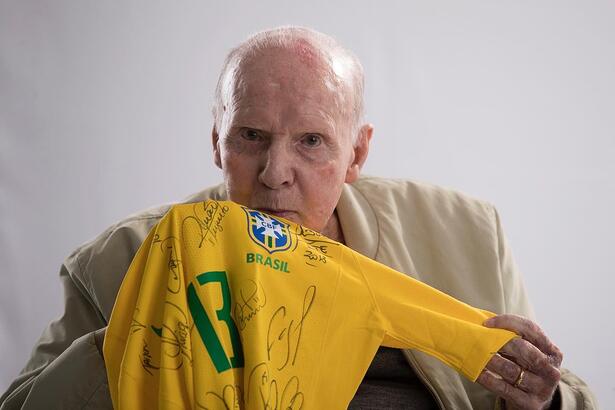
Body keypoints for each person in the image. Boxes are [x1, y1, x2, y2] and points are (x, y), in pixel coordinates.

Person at [0, 26, 596, 410]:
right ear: (217, 141)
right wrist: (138, 339)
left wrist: (540, 402)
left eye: (311, 141)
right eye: (251, 136)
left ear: (356, 154)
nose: (275, 172)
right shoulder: (119, 261)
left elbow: (572, 398)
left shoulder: (467, 233)